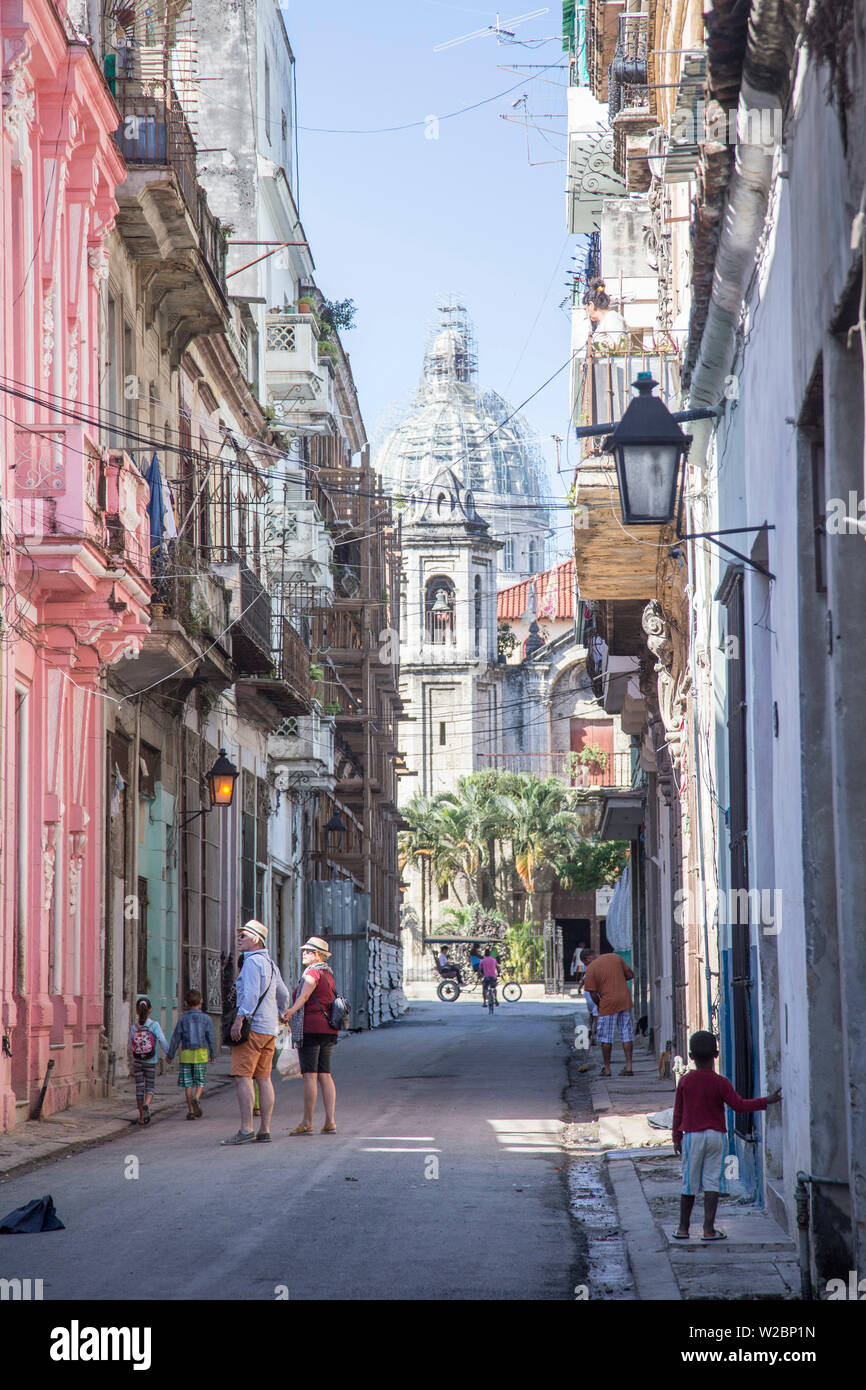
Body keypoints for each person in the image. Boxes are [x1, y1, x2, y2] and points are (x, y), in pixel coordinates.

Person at [673, 1031, 782, 1241]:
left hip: (692, 1137)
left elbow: (678, 1112)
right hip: (716, 1137)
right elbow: (739, 1106)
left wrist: (676, 1138)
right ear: (716, 1054)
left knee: (689, 1182)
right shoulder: (721, 1082)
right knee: (713, 1182)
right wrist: (766, 1101)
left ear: (691, 1055)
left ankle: (683, 1229)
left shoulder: (685, 1082)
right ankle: (708, 1230)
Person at [221, 920, 289, 1146]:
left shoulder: (251, 963)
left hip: (252, 1029)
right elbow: (284, 993)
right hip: (270, 1028)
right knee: (264, 1078)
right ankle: (265, 1129)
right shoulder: (270, 964)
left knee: (243, 1077)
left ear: (256, 939)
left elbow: (249, 996)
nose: (239, 938)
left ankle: (246, 1129)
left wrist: (239, 1019)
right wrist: (280, 1013)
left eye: (244, 935)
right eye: (239, 935)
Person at [281, 936, 339, 1135]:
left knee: (309, 1076)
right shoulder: (328, 975)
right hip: (328, 1029)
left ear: (318, 955)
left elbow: (304, 996)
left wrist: (290, 1011)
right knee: (325, 1074)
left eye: (309, 951)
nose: (304, 954)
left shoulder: (312, 974)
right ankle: (330, 1121)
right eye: (304, 951)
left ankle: (307, 1122)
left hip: (311, 1028)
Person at [583, 947, 634, 1075]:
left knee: (606, 1036)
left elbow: (593, 993)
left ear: (587, 959)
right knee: (626, 1033)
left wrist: (599, 1005)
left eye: (585, 963)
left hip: (608, 1004)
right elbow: (630, 974)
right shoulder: (615, 957)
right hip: (624, 1000)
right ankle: (629, 1067)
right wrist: (617, 979)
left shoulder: (591, 968)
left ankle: (607, 1069)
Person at [168, 989, 217, 1120]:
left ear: (186, 1003)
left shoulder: (183, 1019)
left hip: (186, 1054)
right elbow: (211, 1037)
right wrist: (213, 1053)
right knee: (200, 1081)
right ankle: (197, 1097)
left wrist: (170, 1054)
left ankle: (190, 1111)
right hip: (201, 1053)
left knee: (188, 1083)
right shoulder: (206, 1019)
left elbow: (175, 1038)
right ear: (201, 1001)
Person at [129, 996, 170, 1126]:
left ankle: (141, 1116)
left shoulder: (134, 1027)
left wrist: (133, 1057)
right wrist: (169, 1053)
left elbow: (130, 1046)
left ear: (137, 1011)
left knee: (139, 1088)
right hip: (151, 1061)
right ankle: (147, 1104)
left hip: (137, 1061)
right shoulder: (154, 1025)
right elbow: (162, 1040)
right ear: (150, 1010)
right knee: (150, 1087)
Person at [581, 278, 628, 348]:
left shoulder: (612, 318)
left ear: (591, 305)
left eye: (586, 309)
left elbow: (622, 346)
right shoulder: (603, 322)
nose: (587, 313)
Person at [579, 948, 598, 1042]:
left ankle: (590, 1029)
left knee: (591, 1014)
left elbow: (583, 979)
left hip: (588, 994)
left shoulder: (587, 967)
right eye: (593, 956)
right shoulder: (593, 967)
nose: (595, 957)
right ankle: (594, 1035)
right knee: (596, 1015)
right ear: (588, 958)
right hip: (593, 993)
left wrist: (579, 988)